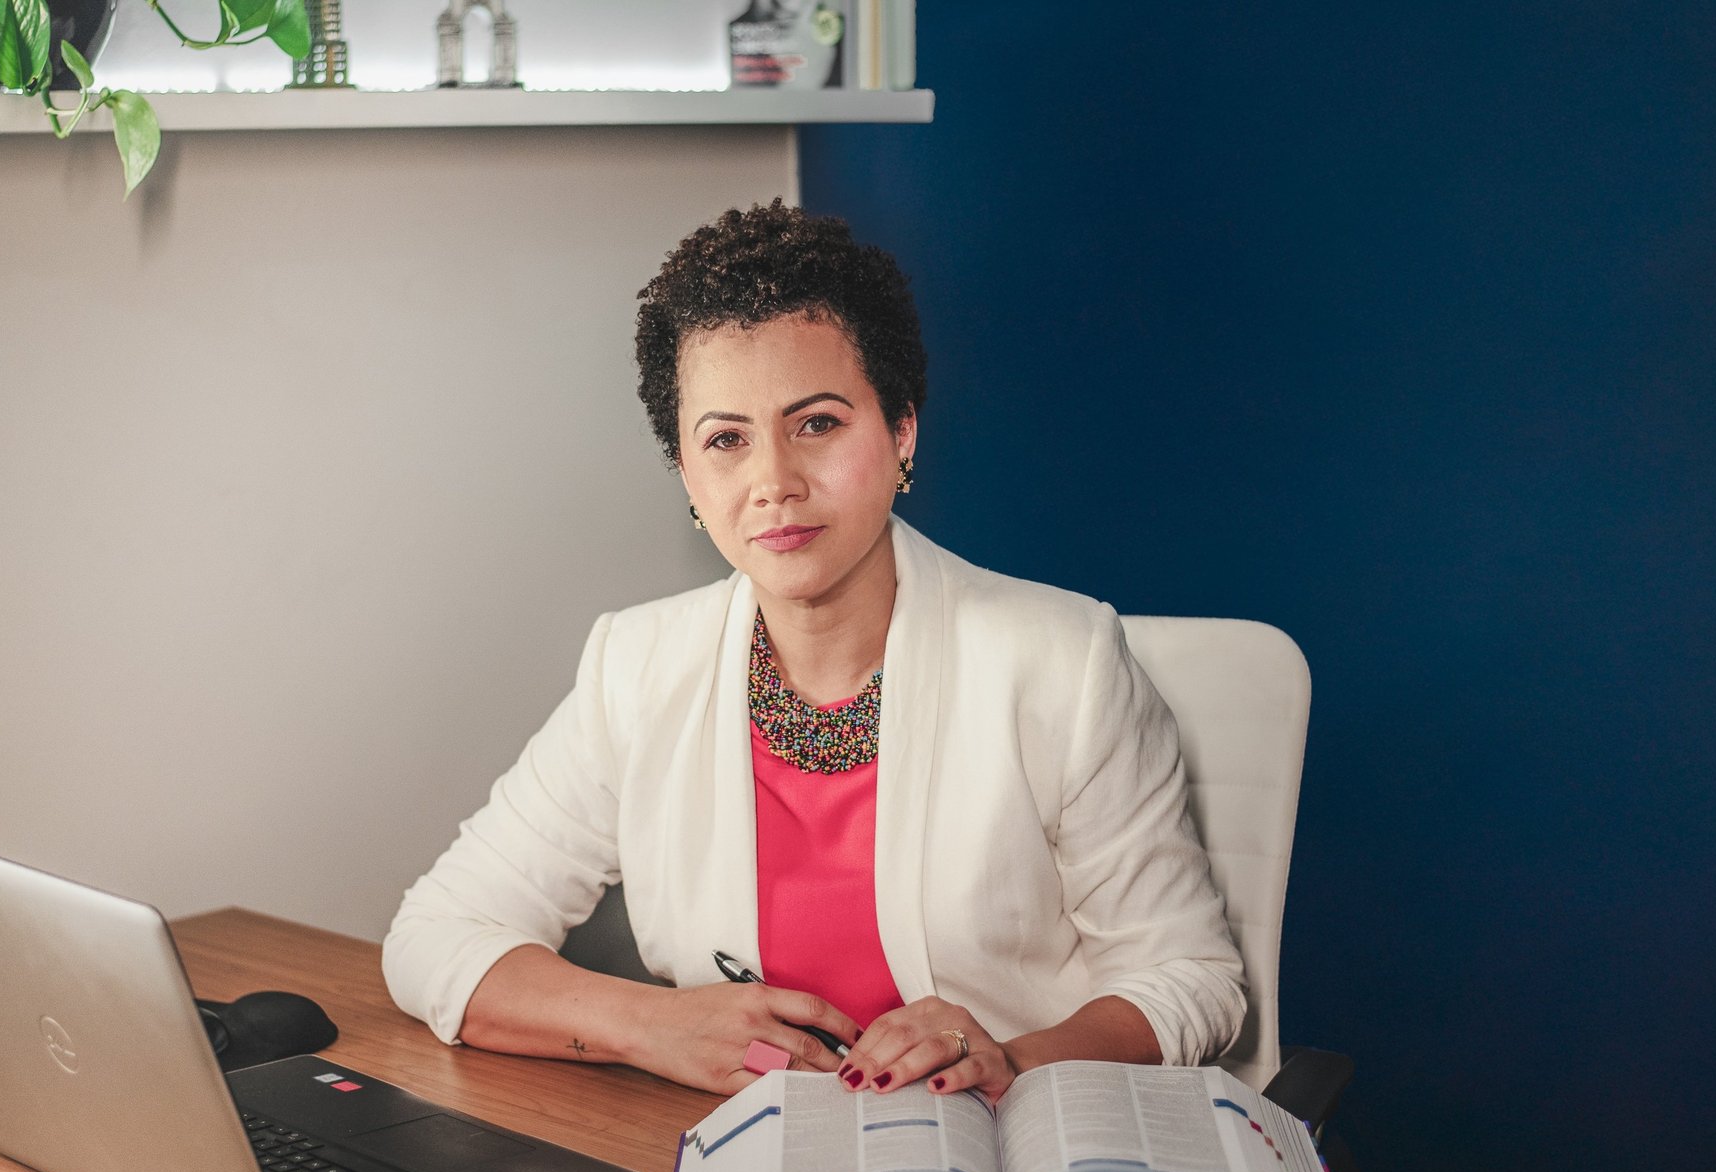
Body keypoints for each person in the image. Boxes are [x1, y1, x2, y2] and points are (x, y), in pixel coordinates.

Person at [382, 200, 1245, 1104]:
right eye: (726, 440)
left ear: (901, 431)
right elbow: (437, 934)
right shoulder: (636, 668)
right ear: (686, 472)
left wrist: (1013, 1060)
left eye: (818, 424)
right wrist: (654, 1024)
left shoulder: (1062, 663)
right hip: (744, 1149)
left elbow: (1190, 976)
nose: (774, 483)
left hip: (998, 1151)